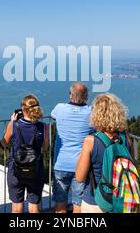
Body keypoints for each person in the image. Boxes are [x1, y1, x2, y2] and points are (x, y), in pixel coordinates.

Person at [75, 93, 132, 213]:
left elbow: (79, 177)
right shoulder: (125, 136)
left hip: (95, 200)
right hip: (121, 198)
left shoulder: (91, 140)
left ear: (96, 115)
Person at [1, 94, 49, 213]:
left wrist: (11, 122)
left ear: (23, 109)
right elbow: (45, 147)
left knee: (17, 207)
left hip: (16, 170)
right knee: (34, 205)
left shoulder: (14, 125)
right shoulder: (43, 127)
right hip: (35, 170)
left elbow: (4, 144)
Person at [51, 82, 93, 213]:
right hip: (82, 165)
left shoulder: (60, 108)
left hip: (61, 164)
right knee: (78, 203)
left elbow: (53, 116)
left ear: (70, 95)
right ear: (86, 97)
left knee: (60, 202)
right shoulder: (91, 112)